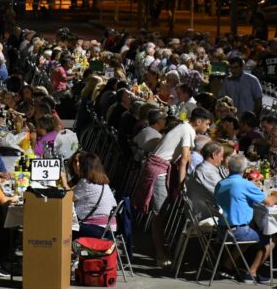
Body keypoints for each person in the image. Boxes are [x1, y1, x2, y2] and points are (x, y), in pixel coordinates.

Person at [133, 107, 212, 267]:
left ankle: (161, 249)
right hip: (160, 170)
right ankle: (160, 254)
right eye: (207, 124)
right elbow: (184, 160)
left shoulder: (184, 128)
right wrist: (182, 184)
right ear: (199, 122)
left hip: (160, 167)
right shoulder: (188, 130)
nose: (208, 127)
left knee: (161, 213)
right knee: (160, 213)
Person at [214, 154, 277, 283]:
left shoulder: (221, 183)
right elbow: (269, 201)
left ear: (229, 167)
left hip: (222, 230)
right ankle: (251, 272)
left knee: (251, 228)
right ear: (245, 169)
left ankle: (228, 265)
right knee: (271, 239)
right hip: (237, 232)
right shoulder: (244, 184)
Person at [66, 151, 117, 239]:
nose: (77, 165)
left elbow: (66, 199)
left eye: (80, 162)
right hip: (110, 230)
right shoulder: (104, 183)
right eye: (75, 161)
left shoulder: (85, 182)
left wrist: (63, 180)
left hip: (96, 229)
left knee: (63, 226)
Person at [186, 141, 227, 219]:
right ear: (214, 155)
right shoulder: (206, 171)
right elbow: (223, 194)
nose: (222, 159)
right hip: (206, 214)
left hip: (206, 209)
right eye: (221, 156)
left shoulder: (205, 167)